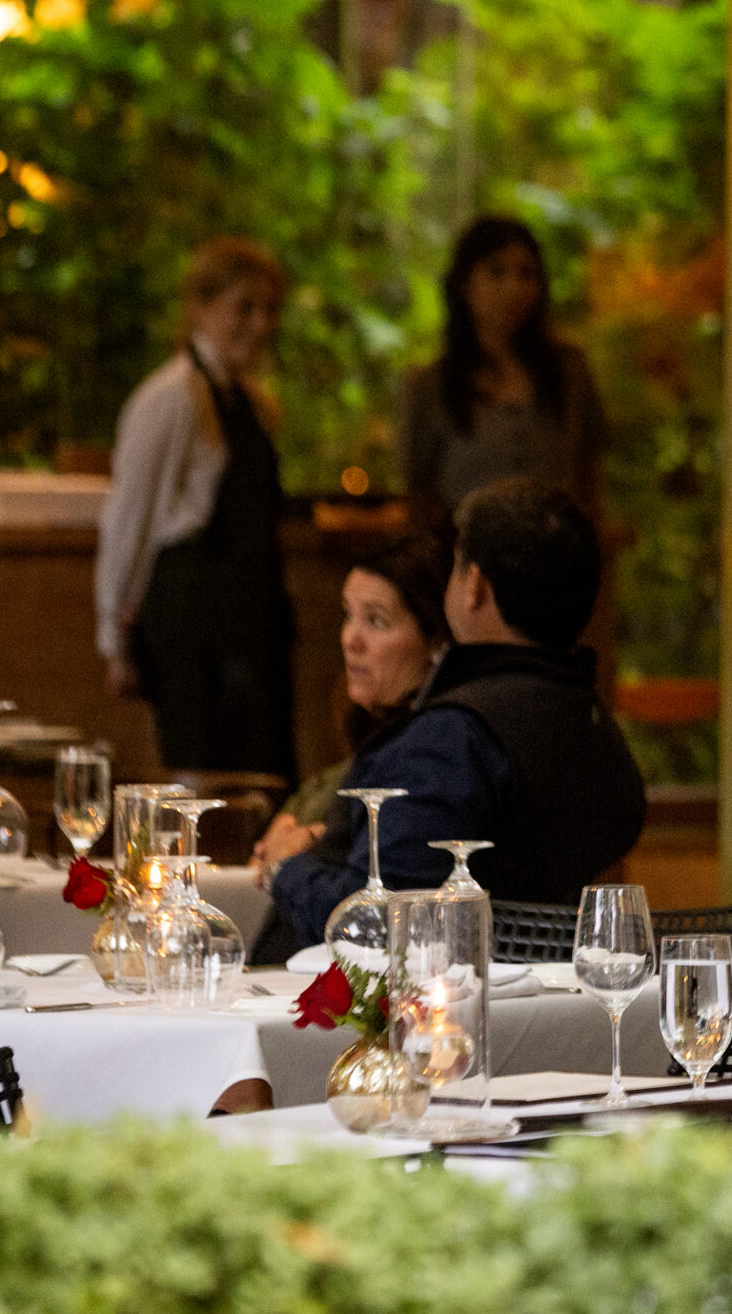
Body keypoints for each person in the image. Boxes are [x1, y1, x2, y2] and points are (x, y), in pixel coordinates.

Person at [261, 477, 647, 958]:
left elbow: (381, 931)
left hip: (410, 1018)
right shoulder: (594, 728)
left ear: (474, 587)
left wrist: (288, 868)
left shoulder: (451, 740)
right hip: (550, 1010)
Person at [95, 236, 298, 781]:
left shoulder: (258, 404)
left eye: (270, 309)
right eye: (244, 307)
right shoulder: (170, 398)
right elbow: (130, 521)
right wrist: (115, 639)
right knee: (199, 789)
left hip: (253, 619)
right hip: (192, 624)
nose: (260, 324)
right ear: (201, 308)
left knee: (265, 784)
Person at [250, 531, 452, 888]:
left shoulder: (434, 757)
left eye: (376, 621)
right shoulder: (350, 760)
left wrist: (311, 845)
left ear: (436, 640)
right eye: (349, 615)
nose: (349, 639)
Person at [399, 216, 608, 534]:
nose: (515, 288)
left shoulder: (568, 370)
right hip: (470, 563)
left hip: (557, 562)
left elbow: (589, 475)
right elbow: (419, 496)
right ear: (465, 283)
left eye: (526, 274)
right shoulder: (432, 384)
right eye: (496, 272)